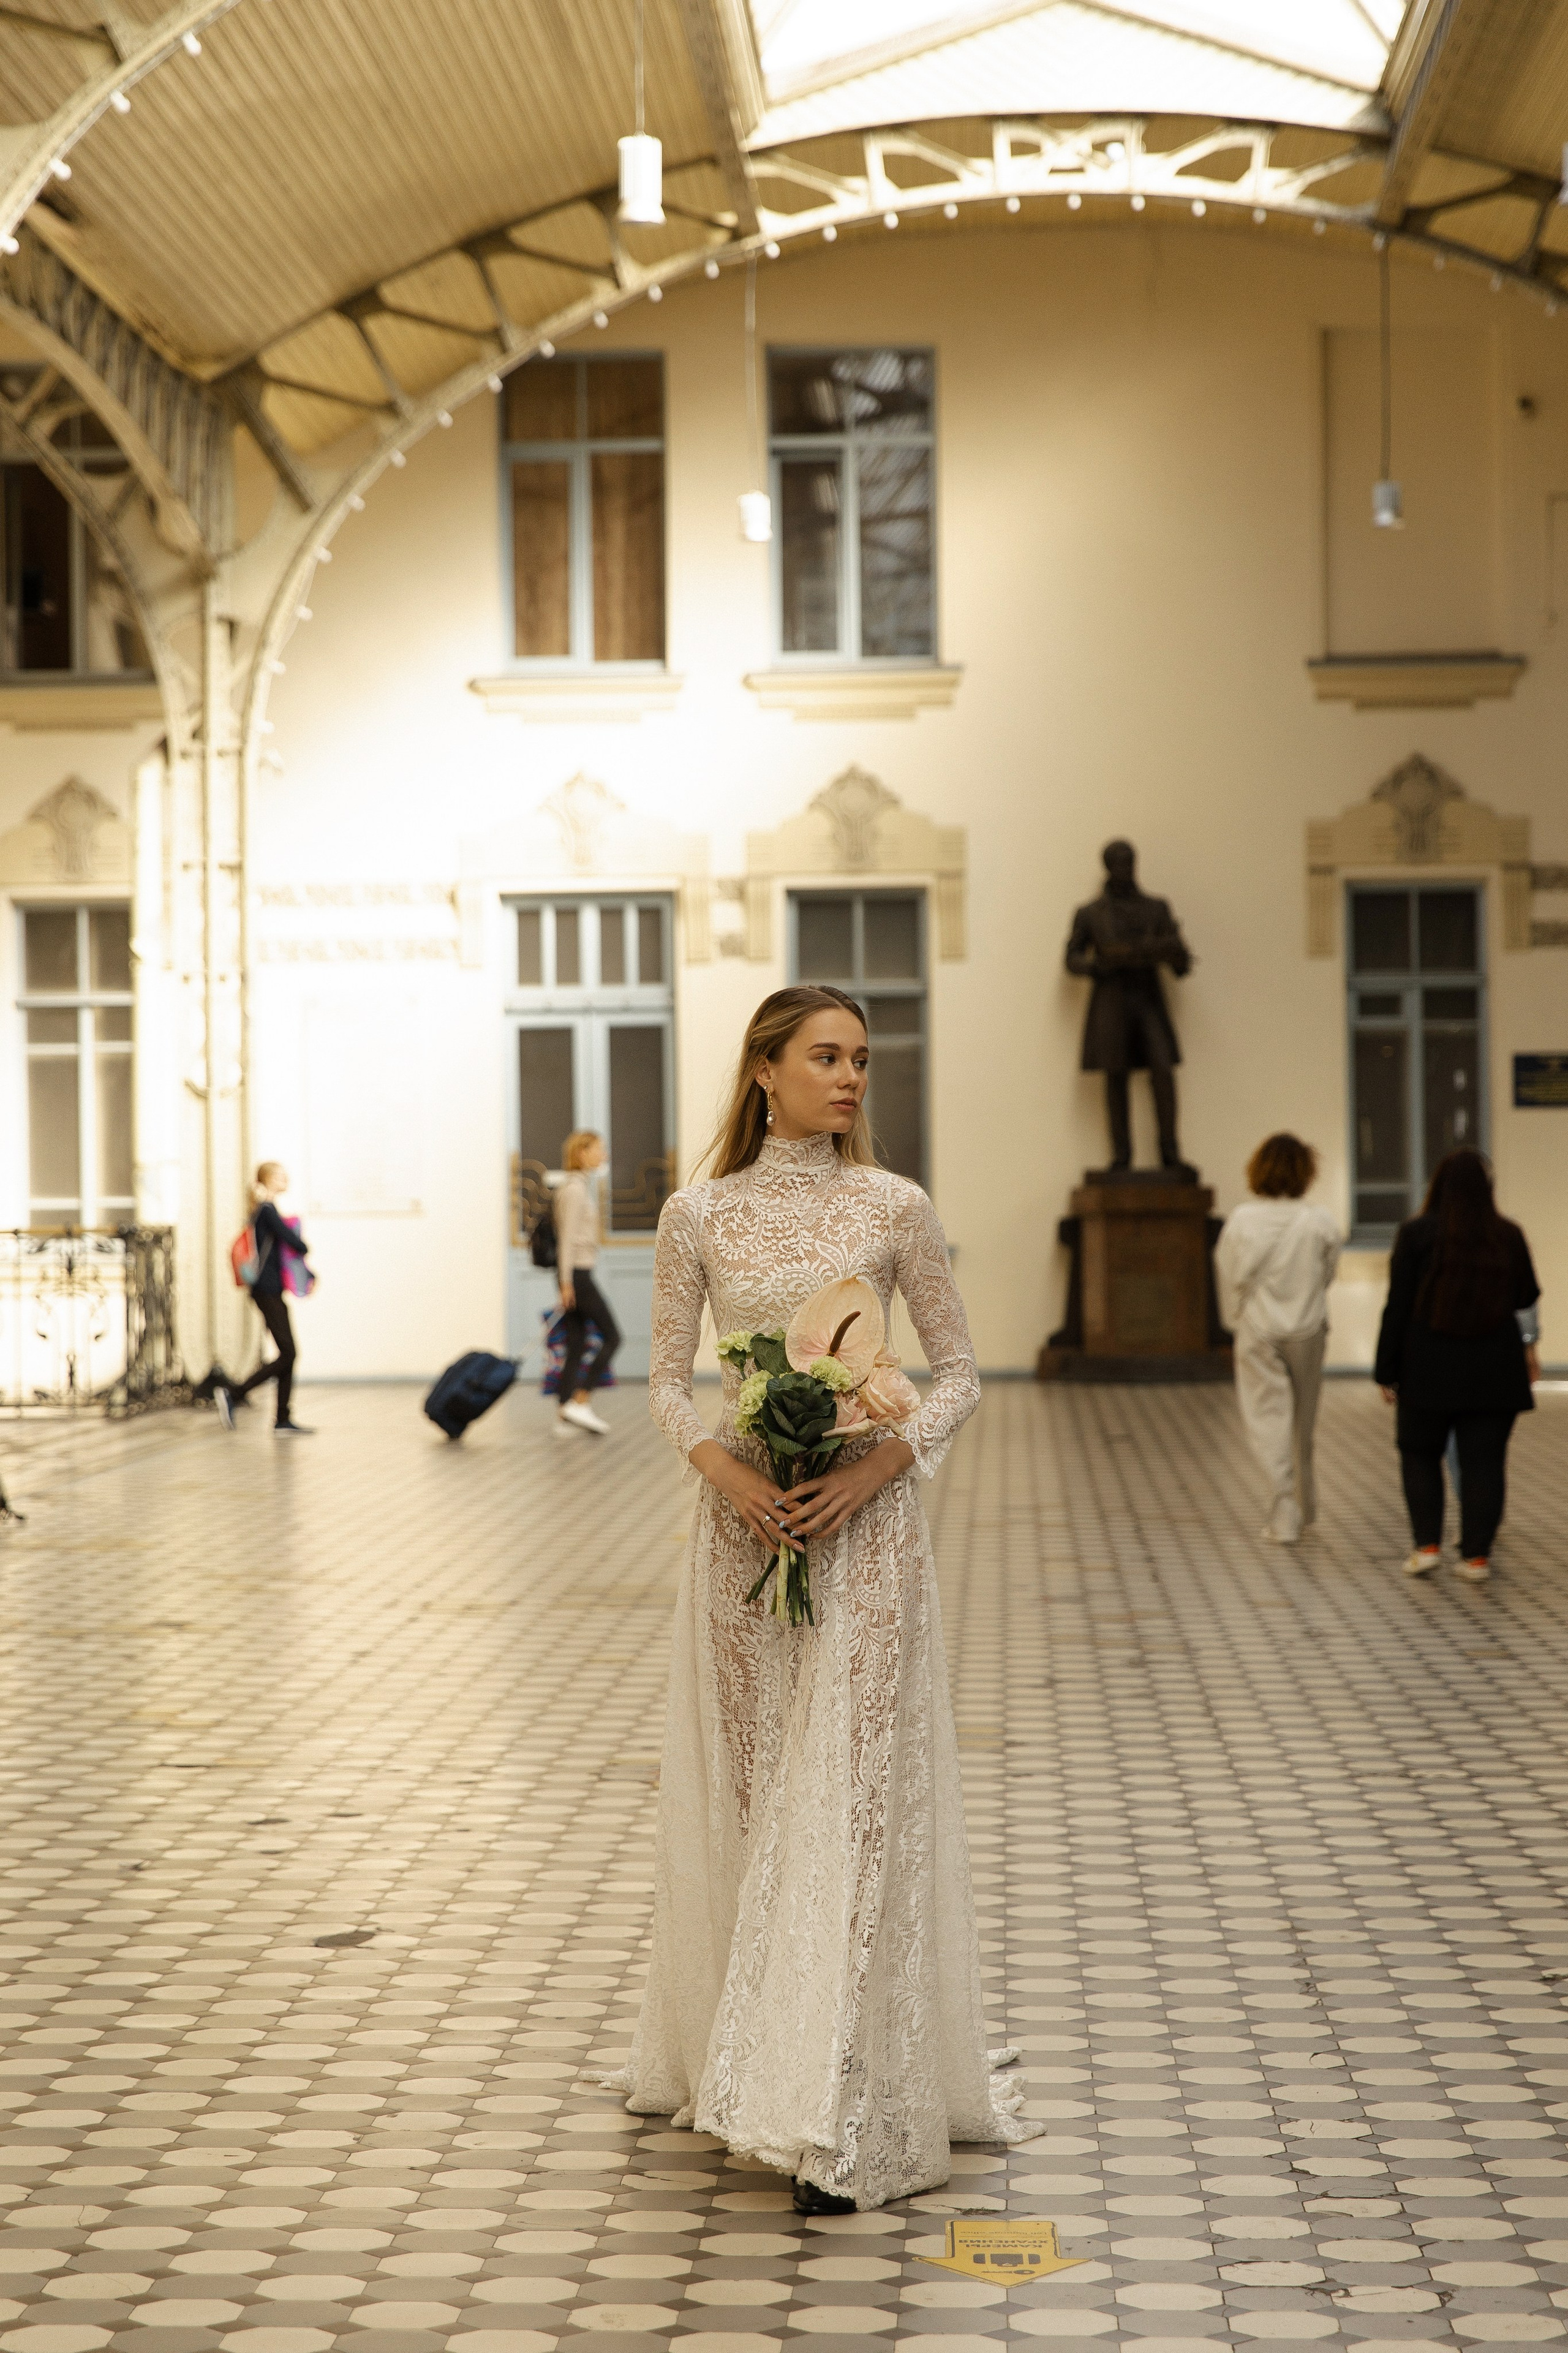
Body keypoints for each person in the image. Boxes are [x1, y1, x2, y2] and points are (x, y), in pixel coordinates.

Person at [608, 984, 1027, 2212]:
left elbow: (954, 1373)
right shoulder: (696, 1215)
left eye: (858, 1059)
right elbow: (667, 1389)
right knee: (758, 1797)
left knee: (845, 1803)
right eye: (825, 1057)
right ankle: (745, 2059)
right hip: (743, 1536)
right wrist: (735, 1474)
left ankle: (831, 2102)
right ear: (764, 1071)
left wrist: (880, 1468)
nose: (849, 1078)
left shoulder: (894, 1207)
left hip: (867, 1531)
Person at [1374, 1148, 1541, 1584]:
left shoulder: (1415, 1235)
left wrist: (1385, 1369)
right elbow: (1526, 1295)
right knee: (1485, 1462)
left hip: (1426, 1364)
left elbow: (1397, 1305)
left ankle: (1426, 1545)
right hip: (1494, 1366)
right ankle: (1476, 1557)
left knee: (1420, 1453)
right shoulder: (1508, 1234)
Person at [1214, 1133, 1343, 1544]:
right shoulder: (1319, 1220)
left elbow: (1230, 1273)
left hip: (1259, 1328)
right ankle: (1306, 1503)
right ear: (1306, 1172)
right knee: (1303, 1421)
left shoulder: (1242, 1220)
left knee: (1268, 1417)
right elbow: (1328, 1273)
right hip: (1309, 1328)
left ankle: (1284, 1505)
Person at [1063, 838, 1194, 1171]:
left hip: (1148, 997)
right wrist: (1097, 966)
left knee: (1162, 1069)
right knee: (1115, 1074)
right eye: (1119, 862)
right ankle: (1121, 1156)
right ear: (1108, 867)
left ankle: (1170, 1153)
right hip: (1112, 999)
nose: (1126, 868)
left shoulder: (1156, 909)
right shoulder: (1091, 913)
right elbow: (1072, 958)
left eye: (1130, 861)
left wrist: (1172, 952)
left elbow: (1180, 962)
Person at [218, 1161, 314, 1435]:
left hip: (270, 1289)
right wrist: (303, 1245)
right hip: (267, 1290)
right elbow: (293, 1244)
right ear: (269, 1180)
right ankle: (235, 1394)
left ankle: (282, 1418)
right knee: (289, 1352)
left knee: (288, 1353)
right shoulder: (267, 1210)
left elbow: (281, 1254)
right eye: (282, 1176)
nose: (287, 1179)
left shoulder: (264, 1210)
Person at [553, 1129, 620, 1438]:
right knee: (613, 1337)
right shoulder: (574, 1190)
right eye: (599, 1149)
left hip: (578, 1274)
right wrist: (566, 1283)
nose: (604, 1155)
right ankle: (580, 1401)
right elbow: (565, 1240)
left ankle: (565, 1415)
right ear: (582, 1153)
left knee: (577, 1343)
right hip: (577, 1275)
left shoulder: (579, 1187)